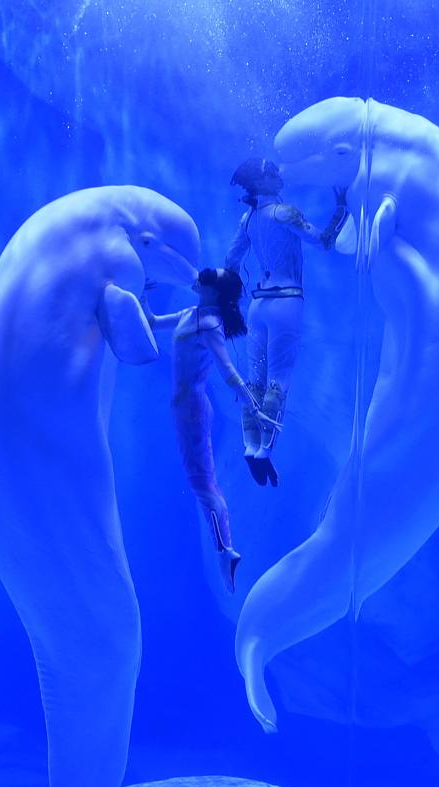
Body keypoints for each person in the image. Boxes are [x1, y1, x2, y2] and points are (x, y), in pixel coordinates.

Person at [144, 268, 281, 592]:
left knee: (202, 483)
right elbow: (151, 322)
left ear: (214, 292)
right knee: (199, 482)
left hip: (192, 407)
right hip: (181, 407)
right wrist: (142, 291)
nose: (199, 276)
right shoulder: (189, 314)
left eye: (207, 276)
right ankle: (224, 549)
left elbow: (228, 370)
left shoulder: (209, 325)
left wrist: (252, 405)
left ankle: (225, 550)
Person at [226, 157, 347, 486]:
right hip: (287, 302)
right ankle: (265, 449)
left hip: (258, 304)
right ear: (261, 181)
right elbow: (325, 241)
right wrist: (342, 207)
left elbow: (231, 261)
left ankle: (250, 446)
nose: (278, 173)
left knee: (254, 381)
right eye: (270, 171)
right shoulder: (285, 213)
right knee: (279, 380)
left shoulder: (248, 219)